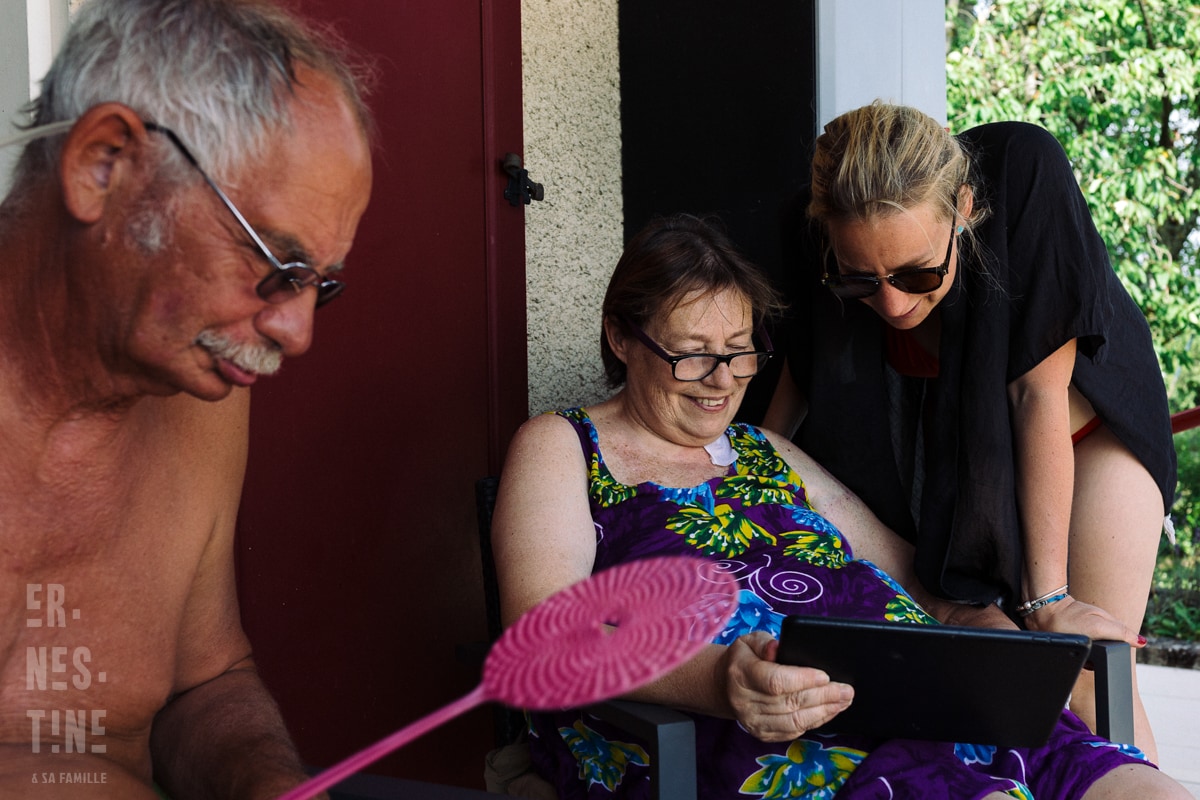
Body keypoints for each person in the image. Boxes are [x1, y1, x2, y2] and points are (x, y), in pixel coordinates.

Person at [491, 213, 1186, 799]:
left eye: (740, 352)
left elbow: (913, 583)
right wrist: (721, 681)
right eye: (693, 355)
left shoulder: (763, 448)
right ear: (621, 337)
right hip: (745, 730)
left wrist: (993, 639)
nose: (723, 380)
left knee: (1129, 784)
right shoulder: (564, 446)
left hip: (916, 697)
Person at [0, 0, 372, 797]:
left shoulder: (199, 400)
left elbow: (203, 684)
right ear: (104, 164)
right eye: (276, 262)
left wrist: (263, 779)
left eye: (318, 286)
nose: (297, 332)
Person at [762, 102, 1176, 760]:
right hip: (955, 460)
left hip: (1080, 430)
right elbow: (803, 371)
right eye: (861, 281)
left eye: (918, 273)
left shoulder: (1024, 175)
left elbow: (1032, 393)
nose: (893, 305)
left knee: (1086, 675)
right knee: (991, 687)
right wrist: (746, 471)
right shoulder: (811, 236)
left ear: (963, 207)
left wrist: (1047, 599)